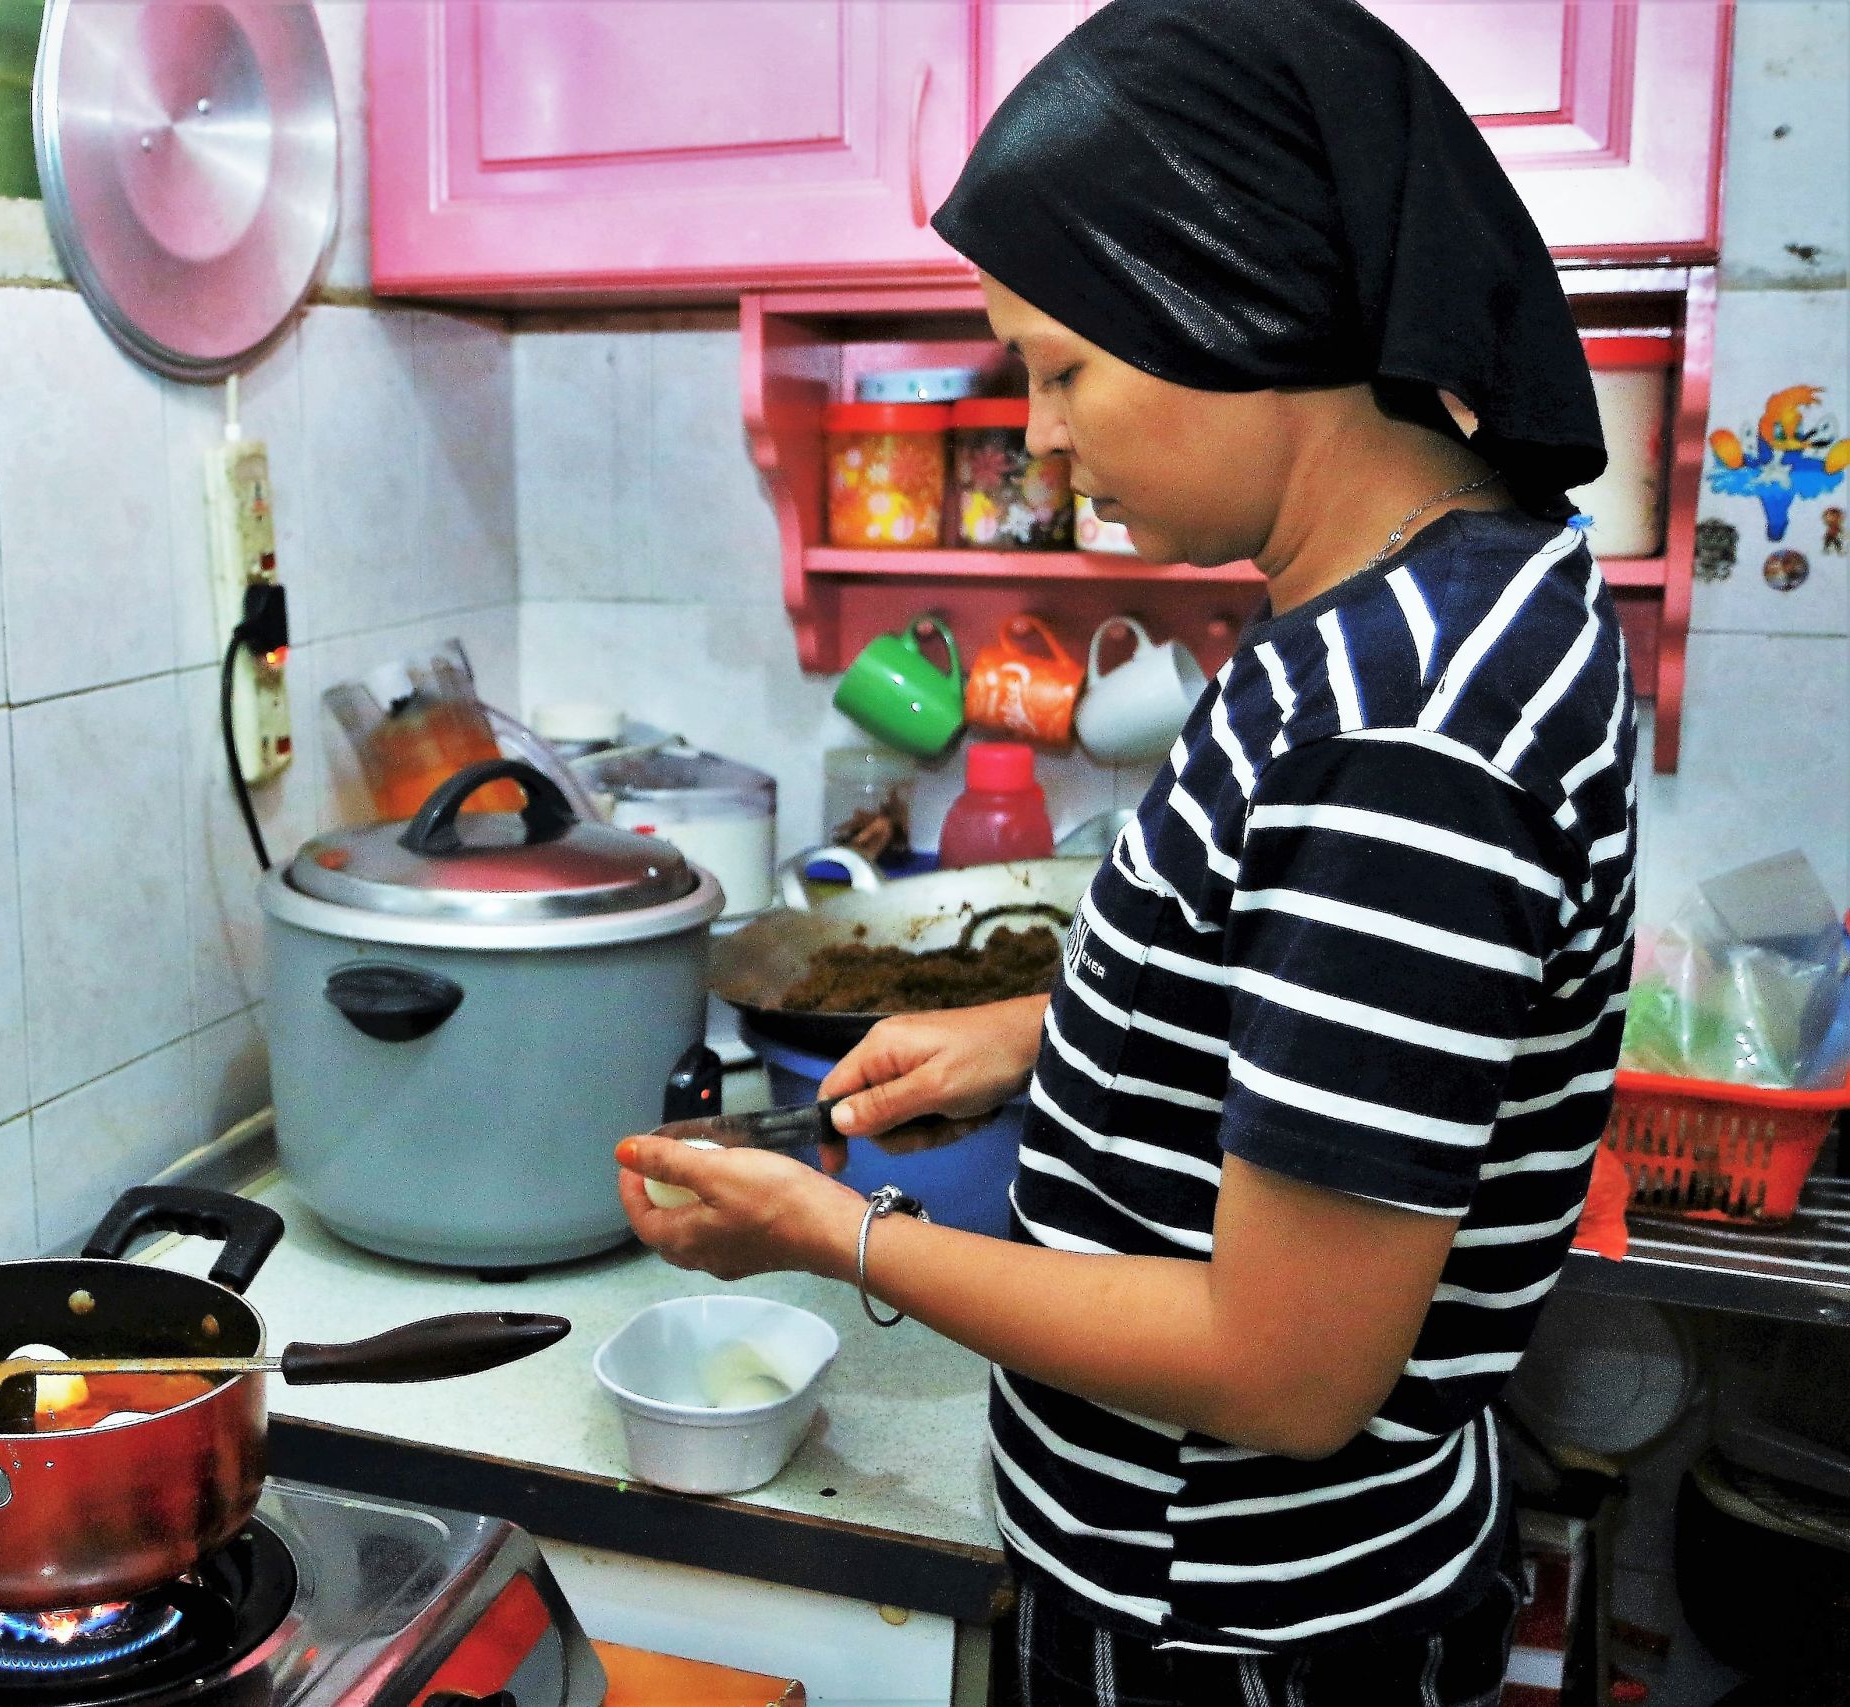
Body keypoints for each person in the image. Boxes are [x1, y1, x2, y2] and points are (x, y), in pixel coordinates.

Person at [612, 0, 1638, 1699]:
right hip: (1242, 1584)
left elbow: (1283, 1370)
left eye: (1064, 363)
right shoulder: (1396, 613)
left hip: (1237, 1630)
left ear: (1233, 299)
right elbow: (1286, 988)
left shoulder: (1400, 727)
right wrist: (1038, 1036)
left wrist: (831, 1235)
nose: (1040, 436)